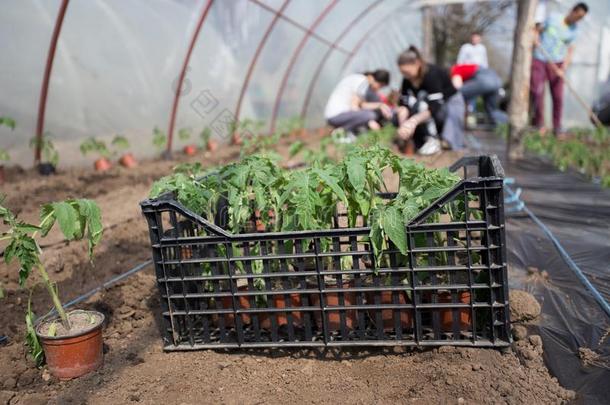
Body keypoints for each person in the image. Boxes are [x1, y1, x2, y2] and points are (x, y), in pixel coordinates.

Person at [531, 2, 588, 136]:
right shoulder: (553, 18)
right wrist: (535, 38)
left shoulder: (574, 31)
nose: (578, 19)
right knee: (537, 91)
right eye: (578, 16)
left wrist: (563, 68)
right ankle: (539, 125)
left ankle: (557, 128)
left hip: (557, 63)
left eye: (581, 18)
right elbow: (537, 30)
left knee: (558, 96)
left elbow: (570, 51)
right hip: (540, 57)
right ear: (572, 11)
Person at [395, 46, 465, 154]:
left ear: (417, 63)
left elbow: (434, 106)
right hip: (430, 107)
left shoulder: (431, 74)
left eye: (407, 72)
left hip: (451, 102)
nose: (405, 75)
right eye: (402, 72)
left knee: (450, 140)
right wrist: (403, 125)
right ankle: (425, 141)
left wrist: (413, 121)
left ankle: (441, 142)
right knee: (418, 106)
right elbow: (403, 104)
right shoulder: (407, 80)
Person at [324, 70, 392, 137]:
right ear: (373, 79)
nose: (378, 89)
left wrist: (380, 105)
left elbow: (361, 104)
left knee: (369, 115)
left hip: (334, 116)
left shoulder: (359, 79)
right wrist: (368, 120)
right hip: (337, 115)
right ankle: (342, 131)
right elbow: (354, 106)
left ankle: (342, 131)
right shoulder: (362, 81)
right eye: (380, 86)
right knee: (370, 115)